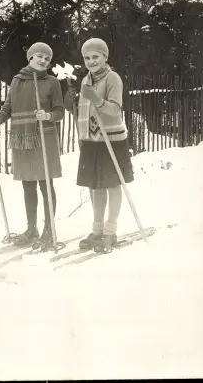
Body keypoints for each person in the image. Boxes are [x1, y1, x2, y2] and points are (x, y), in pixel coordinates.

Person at [0, 42, 64, 250]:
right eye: (39, 56)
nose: (43, 60)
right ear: (30, 57)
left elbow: (60, 112)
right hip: (23, 139)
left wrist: (47, 115)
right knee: (28, 185)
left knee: (45, 185)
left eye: (47, 59)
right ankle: (32, 229)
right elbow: (8, 107)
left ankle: (49, 230)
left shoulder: (52, 82)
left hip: (43, 138)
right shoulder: (17, 81)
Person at [65, 38, 134, 254]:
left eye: (96, 56)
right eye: (87, 58)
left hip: (111, 139)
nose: (91, 61)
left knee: (112, 184)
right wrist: (72, 103)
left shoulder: (113, 78)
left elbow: (115, 109)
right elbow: (84, 111)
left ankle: (110, 231)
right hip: (91, 141)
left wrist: (95, 98)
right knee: (95, 186)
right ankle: (97, 230)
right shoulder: (86, 80)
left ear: (105, 57)